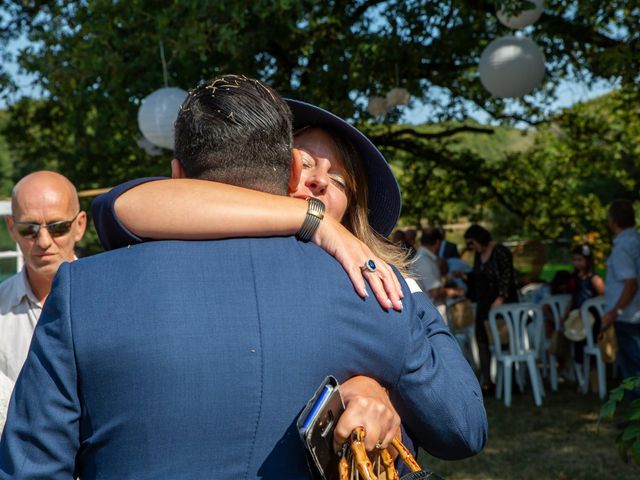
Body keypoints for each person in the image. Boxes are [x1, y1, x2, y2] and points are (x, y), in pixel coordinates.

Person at [0, 76, 486, 479]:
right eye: (309, 168)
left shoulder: (85, 290)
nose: (317, 186)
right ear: (289, 169)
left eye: (338, 180)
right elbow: (463, 433)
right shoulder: (379, 298)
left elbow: (32, 469)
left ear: (176, 172)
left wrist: (378, 392)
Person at [0, 171, 87, 383]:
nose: (43, 241)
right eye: (29, 229)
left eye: (58, 227)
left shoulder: (111, 301)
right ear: (12, 228)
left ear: (79, 226)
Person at [463, 224, 518, 394]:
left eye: (472, 243)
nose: (471, 247)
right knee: (482, 341)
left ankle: (511, 381)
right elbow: (478, 277)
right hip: (483, 304)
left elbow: (507, 276)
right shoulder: (479, 256)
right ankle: (487, 381)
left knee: (504, 342)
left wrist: (501, 298)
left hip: (502, 305)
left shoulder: (500, 252)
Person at [601, 200, 640, 387]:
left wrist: (614, 311)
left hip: (628, 316)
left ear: (613, 221)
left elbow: (631, 284)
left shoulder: (623, 247)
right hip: (634, 314)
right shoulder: (636, 241)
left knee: (633, 370)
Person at [562, 244, 605, 368]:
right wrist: (566, 314)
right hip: (578, 319)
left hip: (592, 320)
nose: (576, 263)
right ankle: (582, 378)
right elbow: (573, 298)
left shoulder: (595, 279)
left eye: (580, 260)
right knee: (578, 347)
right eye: (574, 260)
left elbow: (603, 297)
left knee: (590, 346)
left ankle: (593, 377)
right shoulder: (574, 278)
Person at [412, 227, 463, 321]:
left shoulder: (424, 258)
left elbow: (433, 282)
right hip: (432, 315)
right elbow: (435, 292)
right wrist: (455, 292)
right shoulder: (424, 261)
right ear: (437, 242)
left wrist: (449, 277)